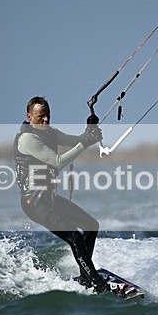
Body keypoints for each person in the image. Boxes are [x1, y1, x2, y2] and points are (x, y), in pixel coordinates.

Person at [13, 96, 108, 293]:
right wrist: (86, 142)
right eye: (41, 117)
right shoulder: (28, 139)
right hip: (35, 203)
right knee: (74, 236)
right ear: (29, 116)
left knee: (91, 226)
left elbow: (77, 141)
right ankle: (96, 281)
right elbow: (57, 161)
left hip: (50, 199)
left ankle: (85, 276)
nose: (46, 120)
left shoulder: (50, 132)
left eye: (48, 116)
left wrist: (89, 131)